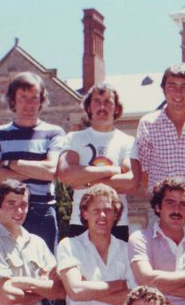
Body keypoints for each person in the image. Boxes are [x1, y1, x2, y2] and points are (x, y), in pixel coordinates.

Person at [0, 71, 66, 305]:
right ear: (13, 101)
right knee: (5, 283)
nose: (29, 104)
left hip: (42, 214)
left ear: (42, 101)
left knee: (47, 287)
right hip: (8, 212)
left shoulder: (54, 132)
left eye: (35, 98)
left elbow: (52, 171)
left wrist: (13, 162)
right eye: (23, 98)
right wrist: (34, 167)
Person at [133, 63, 185, 237]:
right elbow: (144, 172)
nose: (178, 93)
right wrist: (159, 202)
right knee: (161, 259)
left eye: (184, 87)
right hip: (161, 207)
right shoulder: (148, 123)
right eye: (172, 86)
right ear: (164, 90)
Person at [58, 82, 136, 240]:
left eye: (108, 102)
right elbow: (66, 175)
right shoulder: (74, 138)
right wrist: (114, 170)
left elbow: (131, 181)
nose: (102, 107)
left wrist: (87, 183)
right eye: (97, 102)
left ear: (116, 108)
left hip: (117, 223)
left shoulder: (127, 141)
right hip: (81, 222)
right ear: (88, 107)